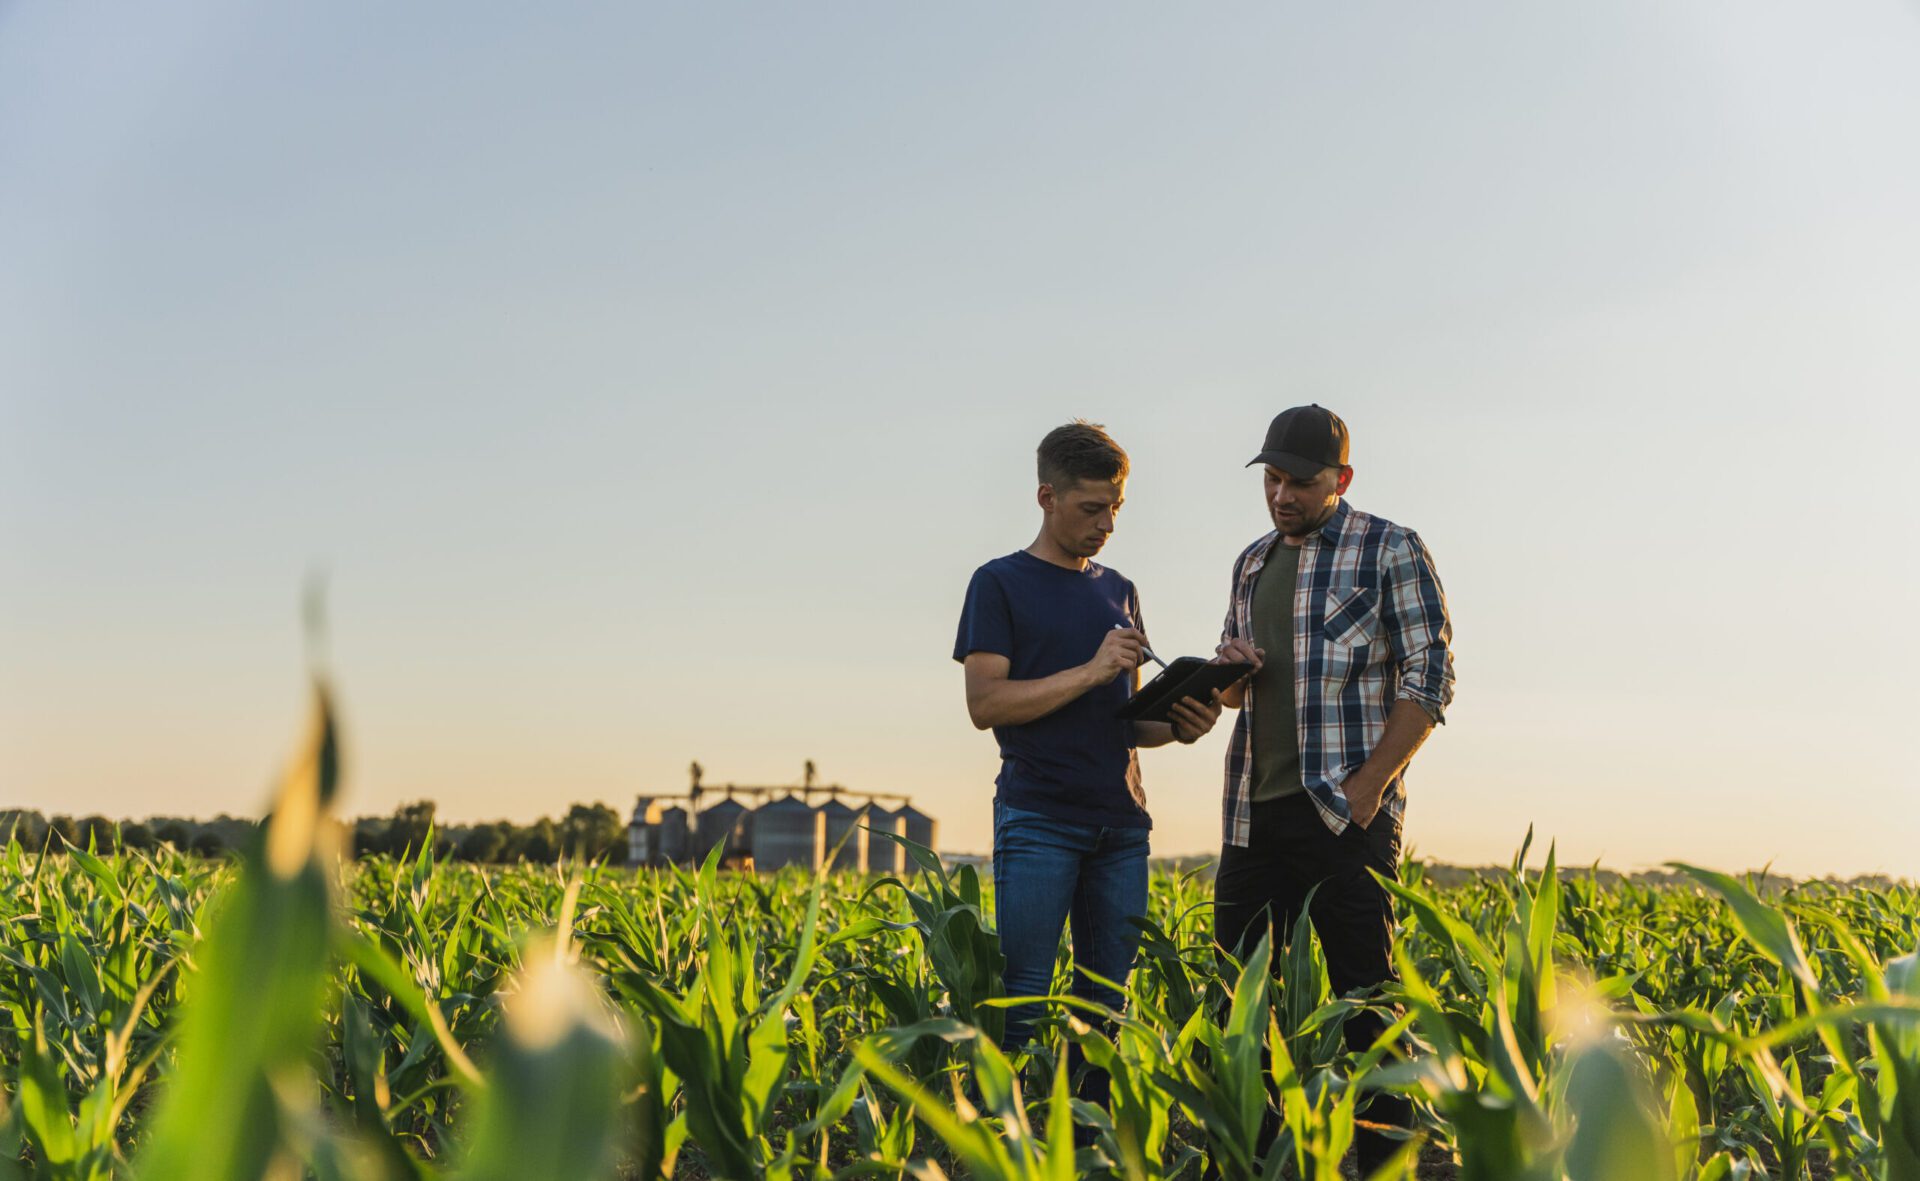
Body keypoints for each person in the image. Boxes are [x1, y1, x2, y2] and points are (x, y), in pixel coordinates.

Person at [1210, 404, 1455, 1174]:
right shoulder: (1251, 562)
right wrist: (1228, 672)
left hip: (1345, 813)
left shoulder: (1390, 547)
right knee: (1239, 1003)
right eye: (1272, 480)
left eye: (1300, 482)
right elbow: (1231, 700)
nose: (1282, 495)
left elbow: (1432, 674)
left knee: (1367, 1002)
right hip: (1254, 811)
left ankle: (1386, 1163)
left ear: (1340, 480)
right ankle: (1260, 1159)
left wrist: (1368, 787)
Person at [953, 420, 1223, 1086]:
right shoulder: (998, 583)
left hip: (1122, 826)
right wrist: (1091, 669)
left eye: (1116, 508)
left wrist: (1184, 724)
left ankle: (1088, 1144)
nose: (1107, 523)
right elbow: (985, 704)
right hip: (1039, 819)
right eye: (1091, 508)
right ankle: (1008, 1149)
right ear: (1046, 497)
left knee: (1104, 1007)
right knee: (1023, 1002)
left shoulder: (1120, 589)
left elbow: (1125, 725)